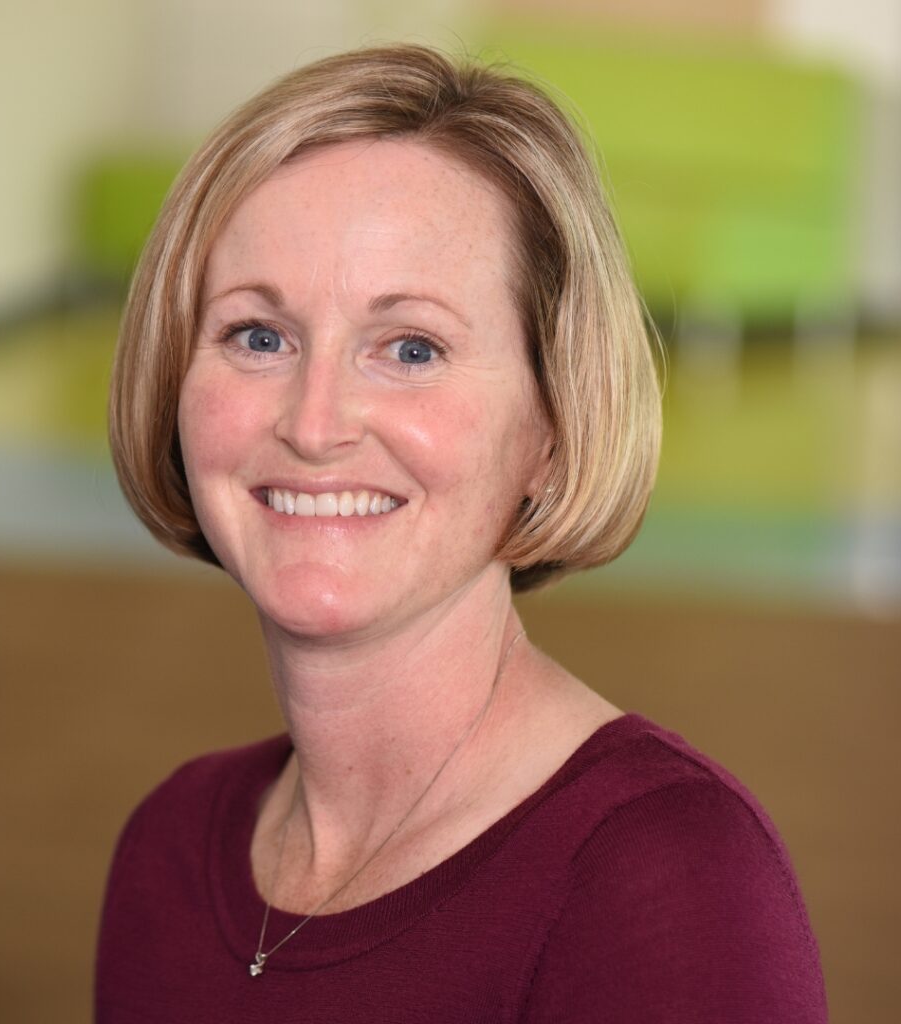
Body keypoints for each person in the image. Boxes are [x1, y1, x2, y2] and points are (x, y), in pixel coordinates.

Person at [97, 44, 827, 1022]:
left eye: (411, 348)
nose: (314, 424)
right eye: (258, 336)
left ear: (551, 430)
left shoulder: (669, 882)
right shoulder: (168, 845)